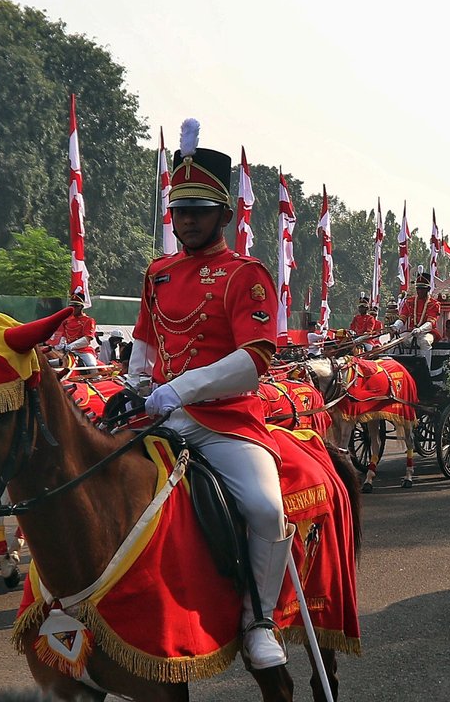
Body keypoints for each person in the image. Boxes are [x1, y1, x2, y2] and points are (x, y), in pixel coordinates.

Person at [132, 120, 292, 670]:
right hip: (161, 418)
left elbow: (254, 363)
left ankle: (259, 619)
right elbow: (145, 344)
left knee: (268, 511)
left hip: (226, 423)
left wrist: (176, 389)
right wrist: (134, 387)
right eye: (178, 210)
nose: (186, 220)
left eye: (199, 210)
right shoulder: (157, 273)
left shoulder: (245, 274)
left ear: (225, 214)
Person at [394, 267, 441, 373]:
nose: (419, 291)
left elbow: (431, 322)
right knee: (395, 342)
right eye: (418, 288)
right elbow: (403, 317)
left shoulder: (434, 304)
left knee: (424, 341)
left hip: (427, 332)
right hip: (411, 331)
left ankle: (426, 371)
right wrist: (396, 326)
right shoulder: (409, 301)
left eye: (422, 288)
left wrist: (420, 329)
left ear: (428, 289)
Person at [50, 289, 98, 368]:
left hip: (83, 351)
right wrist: (60, 345)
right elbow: (64, 336)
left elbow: (87, 339)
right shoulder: (67, 321)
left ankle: (96, 379)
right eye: (72, 306)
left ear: (81, 307)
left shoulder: (88, 320)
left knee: (91, 364)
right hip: (67, 350)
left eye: (76, 306)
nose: (73, 308)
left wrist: (71, 346)